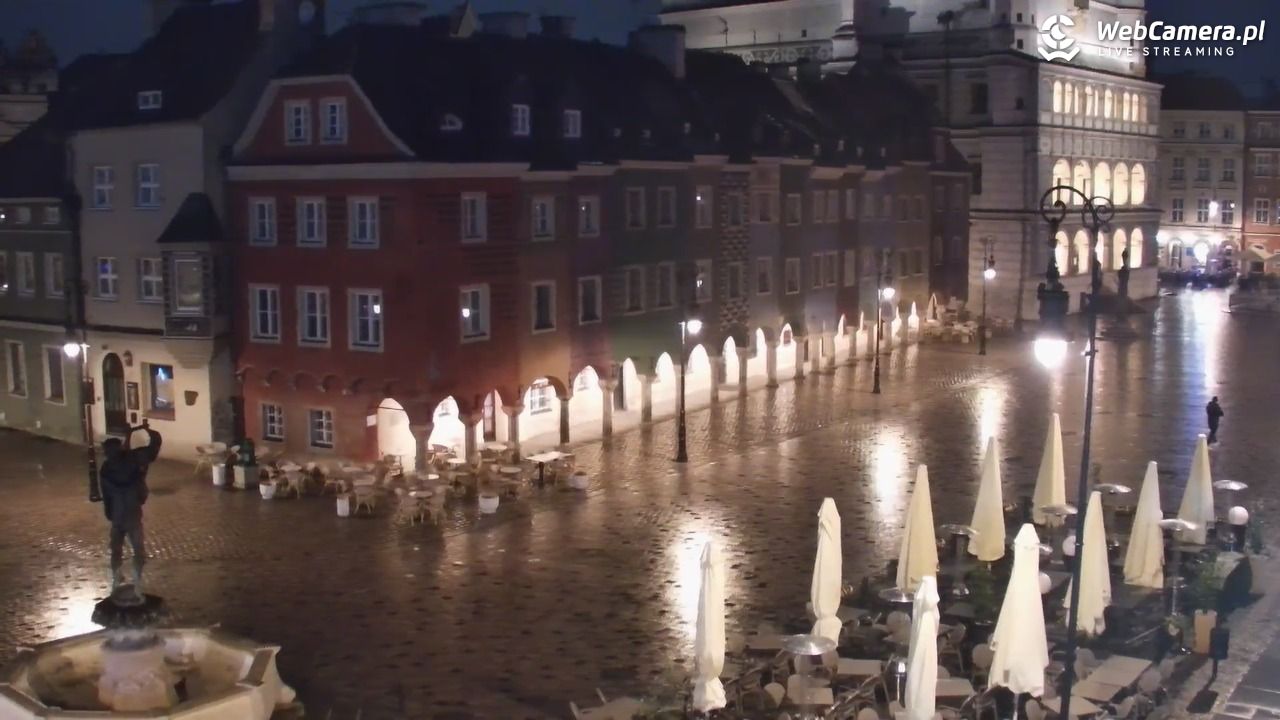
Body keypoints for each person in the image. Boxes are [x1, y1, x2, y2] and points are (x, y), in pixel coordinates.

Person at [100, 421, 162, 592]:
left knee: (116, 550)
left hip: (117, 515)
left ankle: (116, 577)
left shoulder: (106, 468)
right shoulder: (133, 459)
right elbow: (153, 447)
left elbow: (106, 495)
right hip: (133, 511)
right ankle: (137, 579)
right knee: (138, 549)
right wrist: (149, 431)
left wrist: (110, 514)